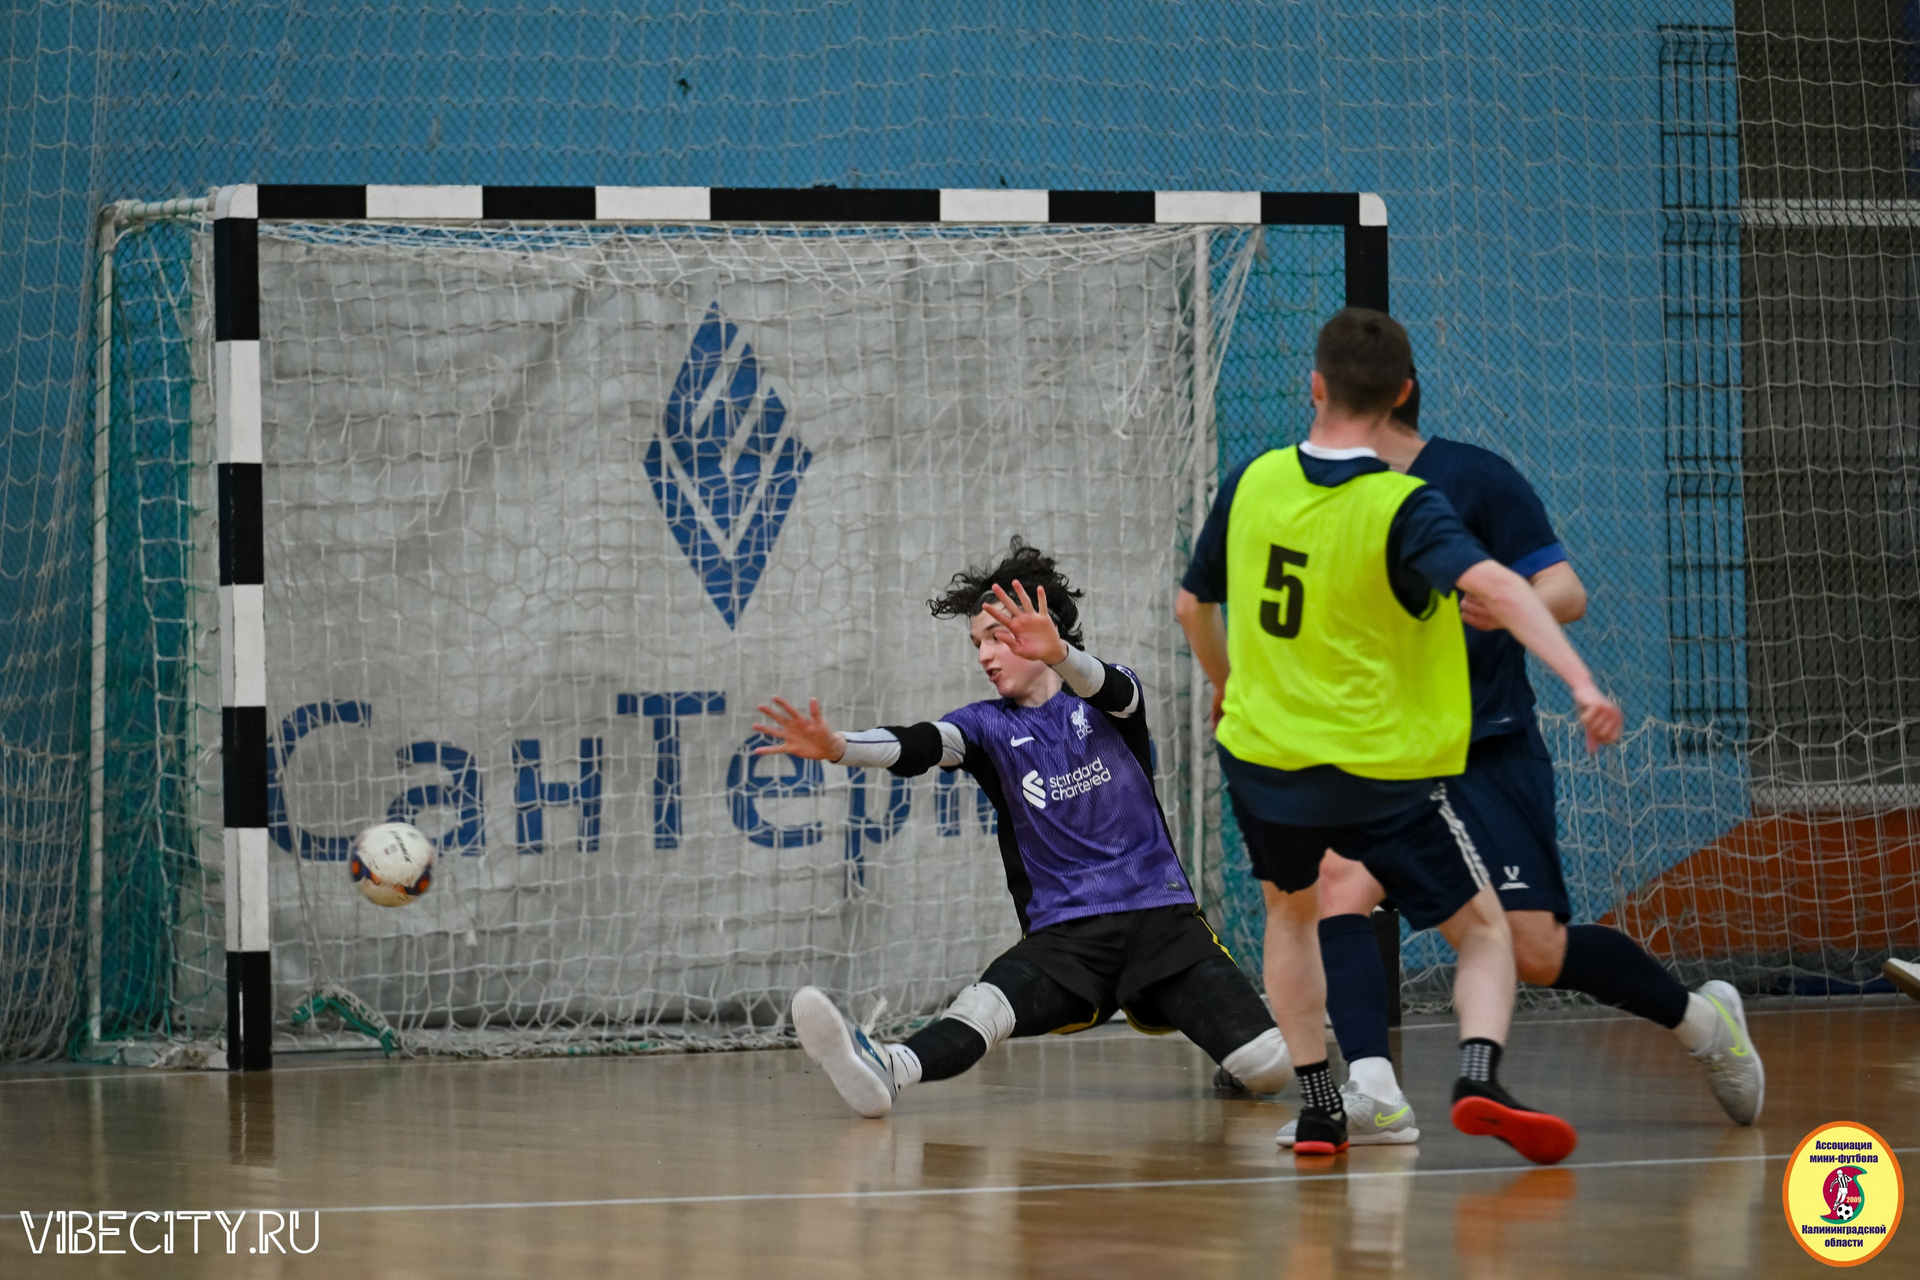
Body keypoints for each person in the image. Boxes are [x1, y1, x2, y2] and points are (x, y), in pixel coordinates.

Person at [1264, 375, 1765, 1149]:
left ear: (1390, 396)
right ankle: (1375, 1091)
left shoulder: (1475, 477)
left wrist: (1506, 608)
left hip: (1488, 747)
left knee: (1535, 950)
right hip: (1388, 751)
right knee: (1339, 883)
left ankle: (1703, 1022)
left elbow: (1565, 591)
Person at [1175, 307, 1624, 1163]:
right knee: (1484, 930)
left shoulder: (1252, 481)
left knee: (1291, 915)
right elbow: (1505, 586)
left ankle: (1321, 1109)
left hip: (1266, 761)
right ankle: (1478, 1075)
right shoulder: (1403, 504)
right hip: (1378, 770)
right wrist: (1580, 683)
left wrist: (1227, 683)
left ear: (1314, 386)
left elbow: (1192, 604)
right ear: (1403, 394)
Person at [759, 539, 1294, 1120]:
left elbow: (1110, 688)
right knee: (985, 1007)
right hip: (1066, 940)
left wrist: (1061, 654)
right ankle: (887, 1067)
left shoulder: (1109, 697)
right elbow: (921, 743)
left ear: (1045, 632)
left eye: (997, 637)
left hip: (1161, 924)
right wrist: (840, 746)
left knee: (1269, 1067)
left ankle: (1235, 1061)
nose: (985, 656)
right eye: (977, 644)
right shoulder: (985, 727)